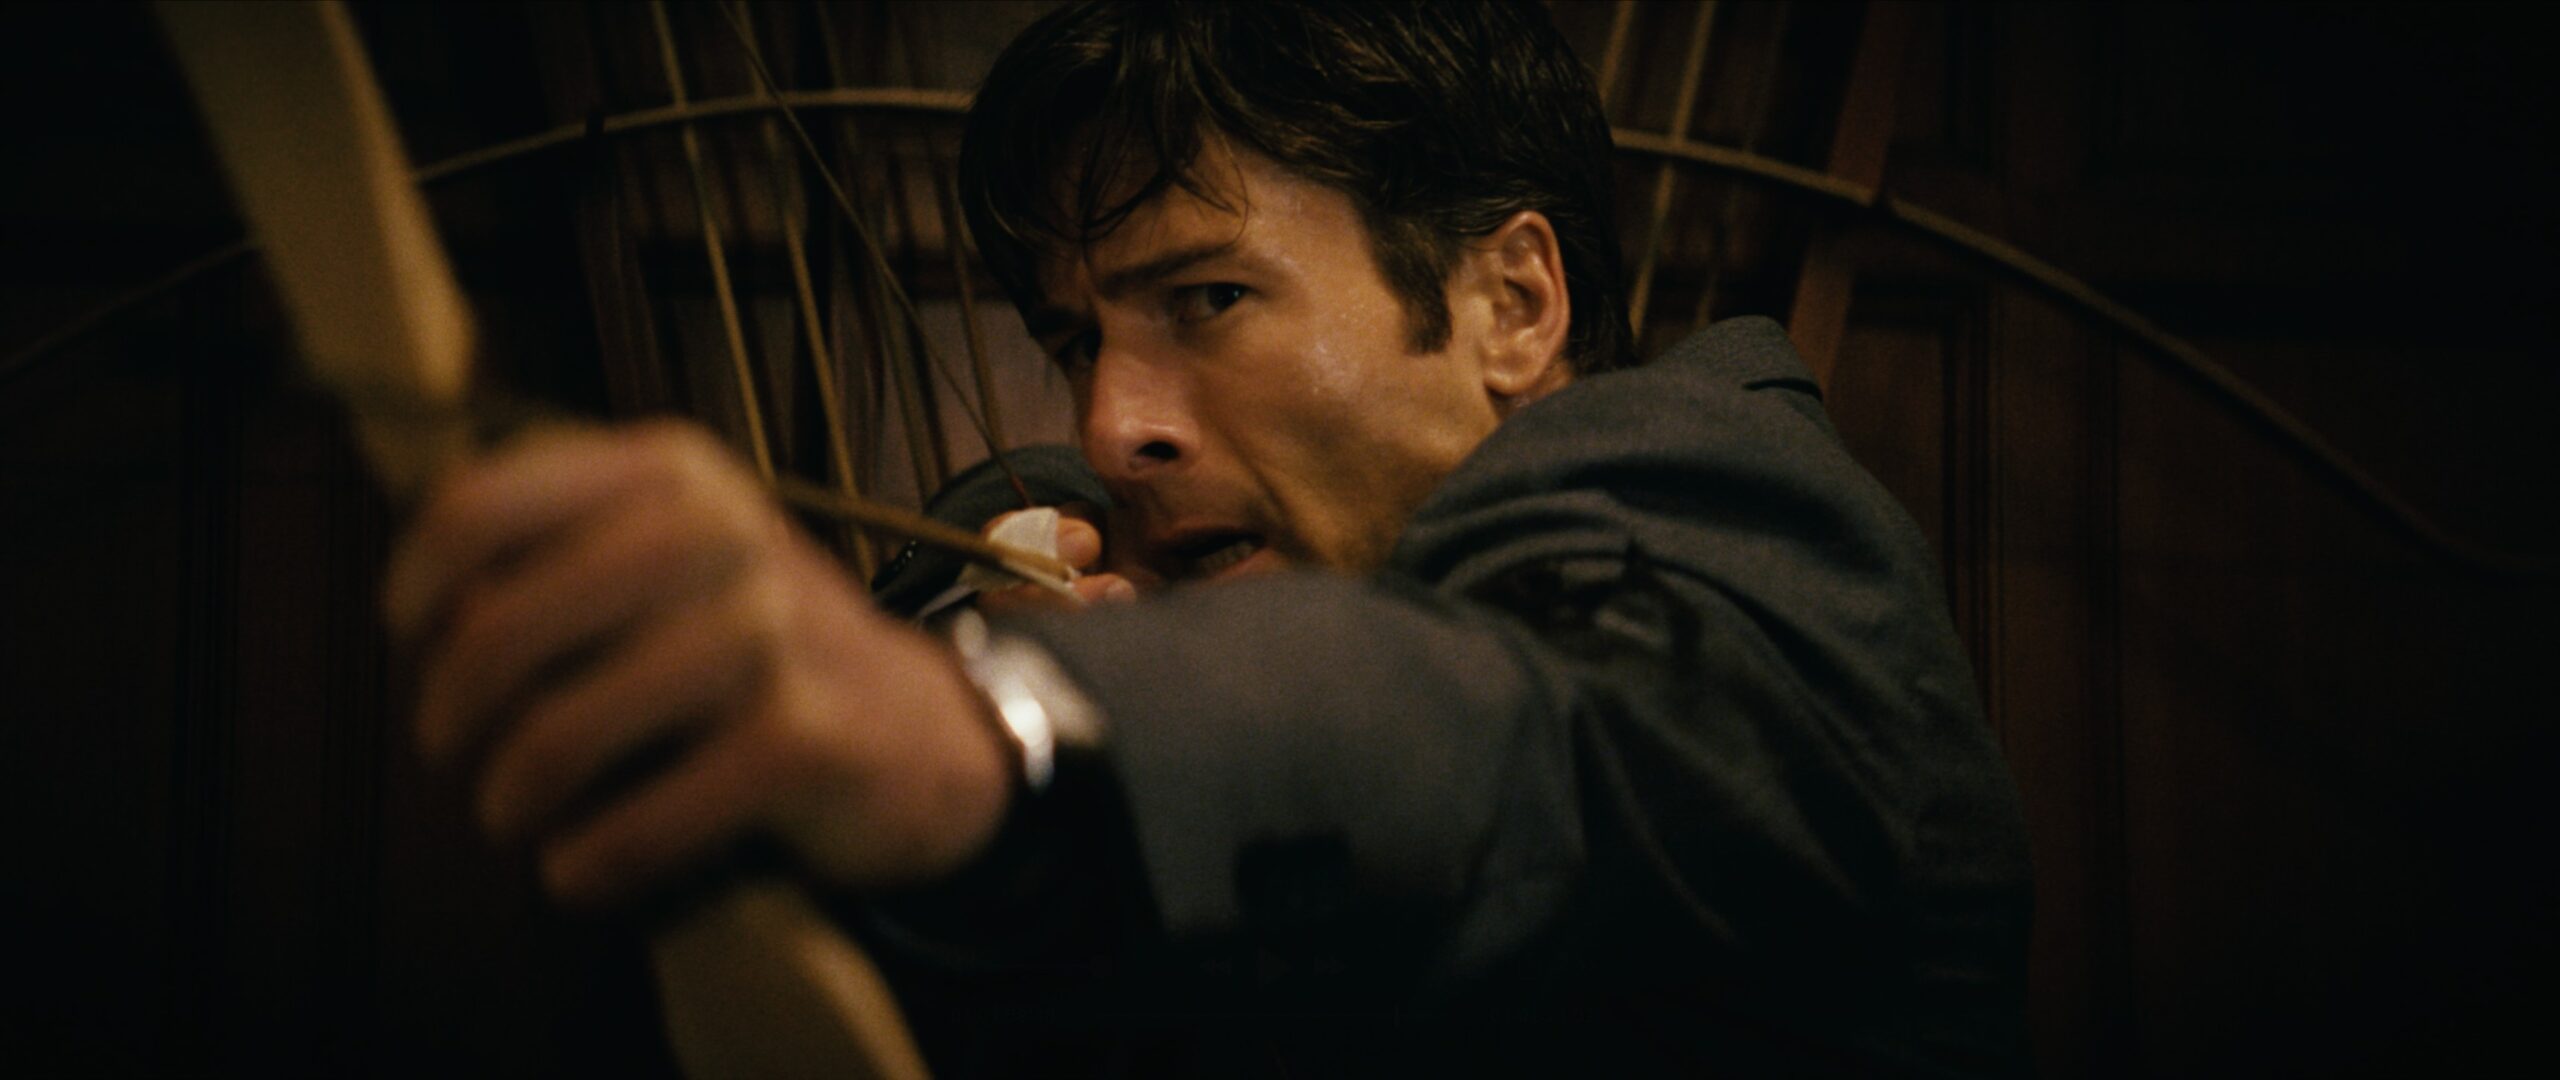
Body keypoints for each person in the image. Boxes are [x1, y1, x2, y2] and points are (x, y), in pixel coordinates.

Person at [385, 2, 2032, 1074]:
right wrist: (944, 637)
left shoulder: (1726, 498)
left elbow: (1536, 737)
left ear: (1514, 304)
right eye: (1078, 336)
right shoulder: (1100, 540)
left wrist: (1001, 728)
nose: (1118, 423)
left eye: (1208, 299)